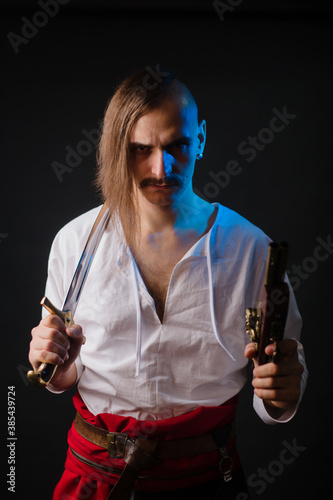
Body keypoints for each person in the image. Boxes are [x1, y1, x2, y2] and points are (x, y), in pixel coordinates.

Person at [28, 68, 307, 500]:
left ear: (201, 138)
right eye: (142, 149)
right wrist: (55, 363)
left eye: (177, 144)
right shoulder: (75, 242)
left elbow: (280, 377)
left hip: (206, 481)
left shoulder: (252, 249)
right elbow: (65, 376)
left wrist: (282, 395)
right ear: (121, 148)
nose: (162, 168)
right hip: (94, 480)